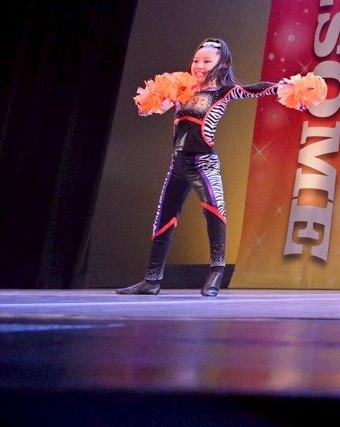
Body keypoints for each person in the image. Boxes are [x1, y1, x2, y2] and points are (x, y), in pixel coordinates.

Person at [116, 38, 294, 298]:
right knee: (164, 220)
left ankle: (216, 273)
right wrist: (150, 104)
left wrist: (284, 87)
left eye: (207, 61)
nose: (199, 66)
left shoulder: (223, 91)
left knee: (214, 212)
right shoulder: (182, 90)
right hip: (178, 164)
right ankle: (151, 280)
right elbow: (154, 107)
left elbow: (254, 89)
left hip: (203, 163)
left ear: (222, 64)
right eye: (196, 61)